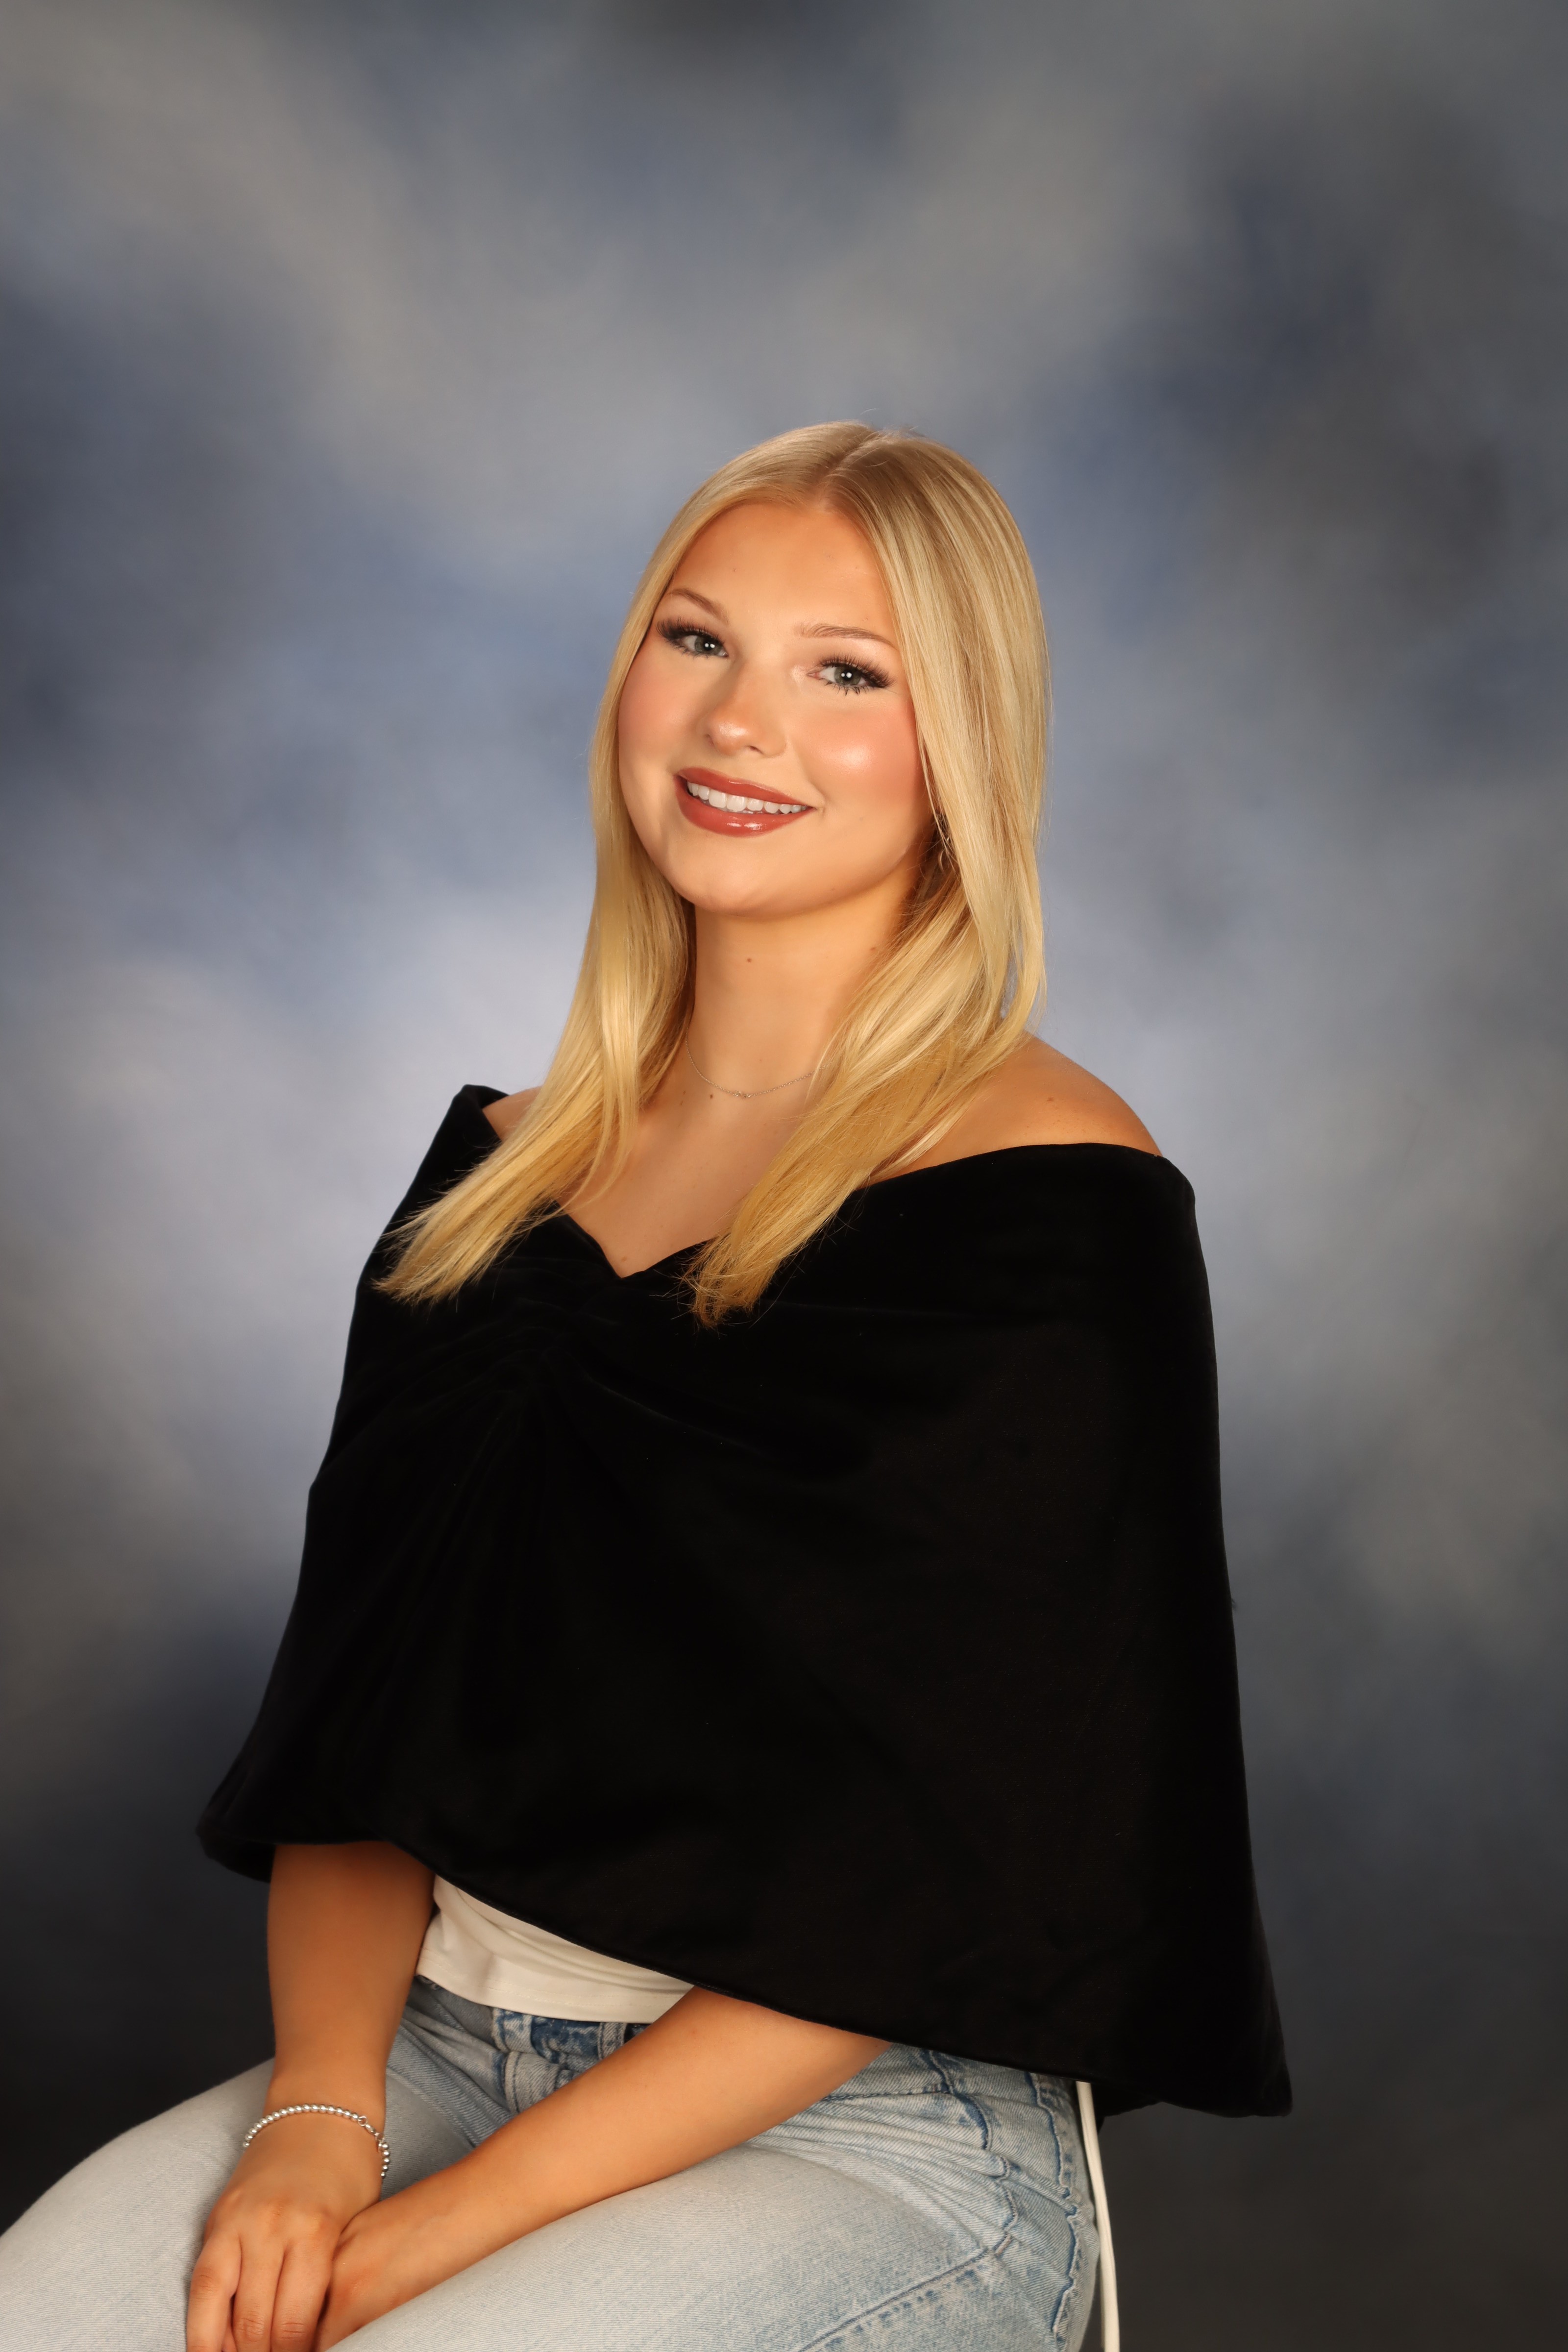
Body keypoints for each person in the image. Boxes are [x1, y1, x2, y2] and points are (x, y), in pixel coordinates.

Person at [0, 422, 1289, 2352]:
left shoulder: (1051, 1205)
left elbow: (931, 1880)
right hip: (435, 2047)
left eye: (844, 672)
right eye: (697, 640)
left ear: (959, 749)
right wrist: (319, 2121)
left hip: (875, 2123)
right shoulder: (495, 1180)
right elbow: (361, 1739)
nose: (739, 721)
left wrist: (428, 2247)